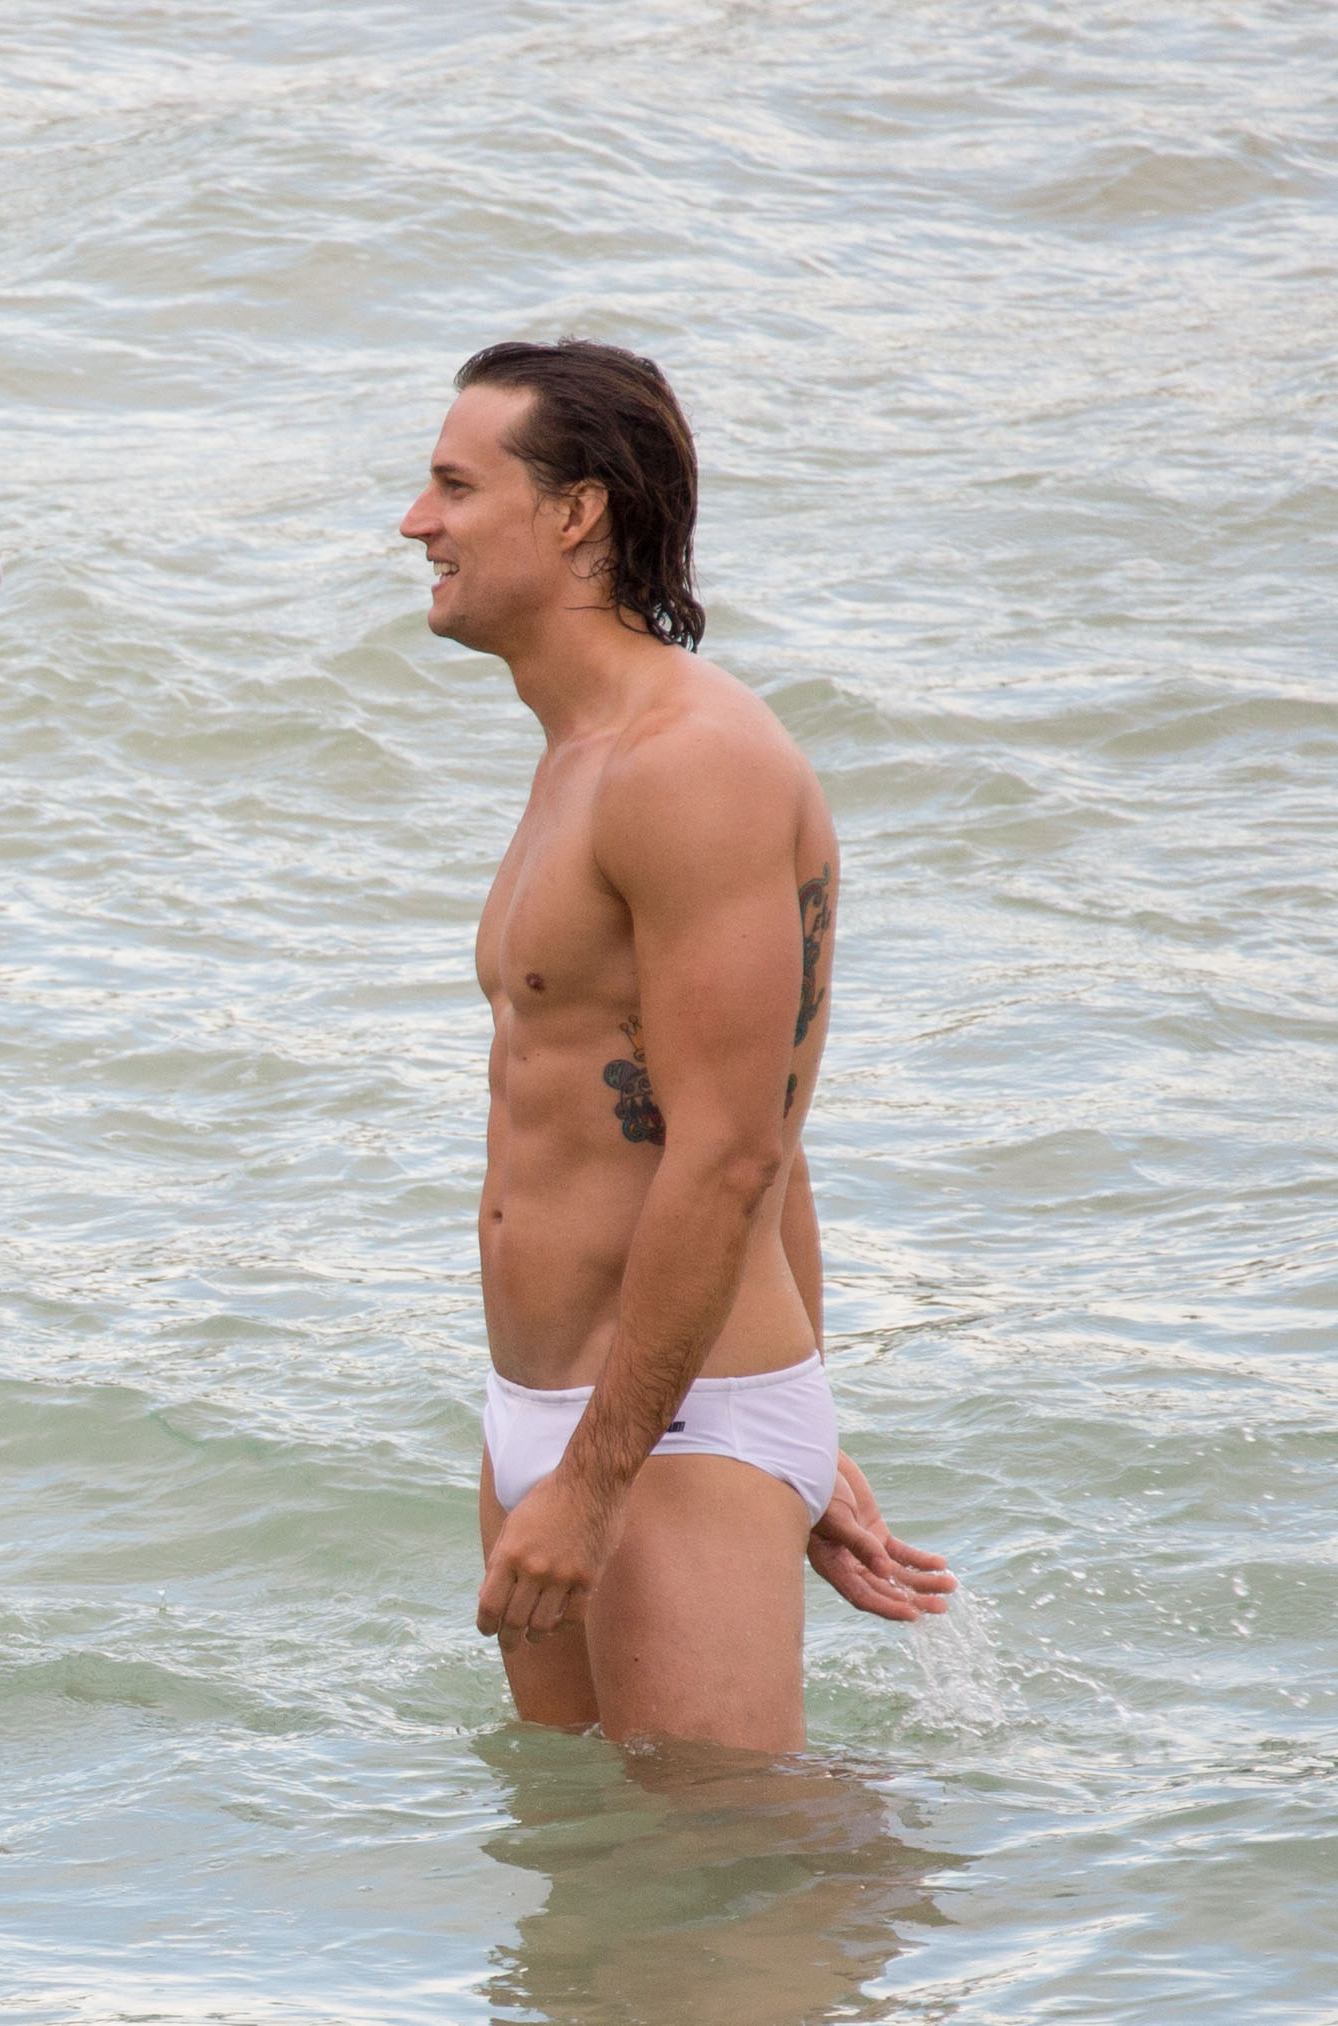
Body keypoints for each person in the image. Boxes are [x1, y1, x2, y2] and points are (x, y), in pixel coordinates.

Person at [396, 340, 952, 1752]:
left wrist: (614, 1475)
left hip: (667, 1432)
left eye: (455, 486)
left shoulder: (692, 762)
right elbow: (764, 1132)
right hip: (566, 1410)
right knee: (583, 1863)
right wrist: (804, 1427)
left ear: (575, 512)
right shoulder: (581, 754)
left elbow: (734, 1152)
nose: (416, 523)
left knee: (726, 1863)